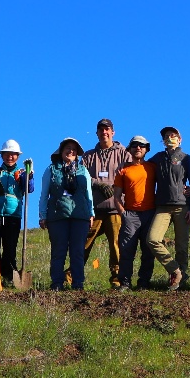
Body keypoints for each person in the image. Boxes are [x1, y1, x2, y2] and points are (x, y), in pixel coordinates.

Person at [146, 126, 190, 290]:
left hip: (183, 206)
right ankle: (175, 270)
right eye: (166, 136)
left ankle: (180, 282)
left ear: (180, 139)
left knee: (182, 246)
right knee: (152, 239)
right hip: (162, 206)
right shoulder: (157, 158)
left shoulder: (186, 158)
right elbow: (142, 166)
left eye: (173, 135)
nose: (169, 138)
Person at [81, 119, 132, 287]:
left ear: (113, 132)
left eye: (107, 129)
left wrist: (114, 185)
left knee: (116, 244)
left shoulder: (124, 153)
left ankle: (117, 278)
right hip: (93, 209)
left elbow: (131, 174)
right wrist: (98, 184)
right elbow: (82, 176)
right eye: (101, 130)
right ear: (97, 133)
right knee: (84, 243)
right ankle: (73, 275)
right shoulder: (88, 156)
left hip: (115, 208)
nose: (104, 132)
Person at [39, 138, 94, 290]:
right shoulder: (51, 169)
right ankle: (57, 283)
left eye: (74, 149)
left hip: (80, 216)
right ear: (61, 151)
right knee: (58, 251)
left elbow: (88, 194)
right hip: (57, 216)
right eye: (68, 148)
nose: (71, 151)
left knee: (77, 252)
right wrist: (42, 215)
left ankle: (78, 284)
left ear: (77, 154)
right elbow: (44, 194)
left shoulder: (83, 170)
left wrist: (91, 213)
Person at [114, 135, 158, 291]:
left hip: (150, 213)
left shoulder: (153, 167)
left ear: (146, 149)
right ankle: (125, 282)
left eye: (141, 145)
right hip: (130, 214)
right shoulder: (123, 169)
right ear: (129, 149)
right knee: (126, 249)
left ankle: (144, 282)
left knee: (148, 251)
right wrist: (123, 213)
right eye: (134, 145)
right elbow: (117, 196)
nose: (138, 148)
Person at [0, 139, 35, 286]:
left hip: (13, 215)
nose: (10, 157)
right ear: (2, 155)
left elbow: (29, 189)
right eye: (7, 154)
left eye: (13, 154)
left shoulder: (21, 173)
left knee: (10, 246)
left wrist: (29, 176)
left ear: (18, 156)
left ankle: (9, 275)